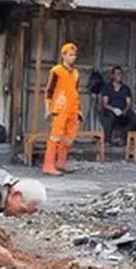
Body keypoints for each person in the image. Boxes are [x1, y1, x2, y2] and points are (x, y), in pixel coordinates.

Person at [43, 42, 81, 176]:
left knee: (68, 137)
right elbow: (49, 91)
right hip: (59, 108)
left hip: (72, 108)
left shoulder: (76, 73)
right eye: (70, 55)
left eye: (74, 55)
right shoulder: (56, 71)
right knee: (55, 137)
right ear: (63, 56)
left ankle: (61, 163)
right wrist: (47, 108)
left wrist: (79, 110)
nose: (73, 57)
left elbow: (76, 92)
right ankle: (48, 165)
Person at [99, 66, 136, 146]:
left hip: (123, 110)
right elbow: (105, 104)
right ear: (112, 75)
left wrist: (125, 111)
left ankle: (122, 137)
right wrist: (114, 109)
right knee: (109, 117)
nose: (119, 76)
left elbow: (129, 103)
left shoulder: (126, 88)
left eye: (121, 74)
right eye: (117, 74)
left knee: (134, 118)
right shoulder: (107, 87)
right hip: (111, 110)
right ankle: (108, 140)